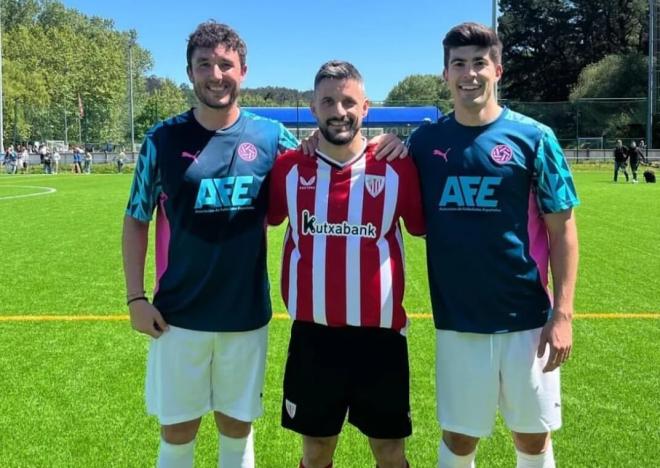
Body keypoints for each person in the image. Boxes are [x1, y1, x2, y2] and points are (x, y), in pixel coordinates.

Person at [121, 21, 404, 468]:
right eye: (205, 65)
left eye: (225, 65)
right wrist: (136, 297)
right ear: (190, 73)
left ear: (243, 71)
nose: (216, 74)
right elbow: (136, 219)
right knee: (177, 431)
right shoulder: (162, 139)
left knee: (237, 428)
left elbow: (331, 152)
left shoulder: (270, 138)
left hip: (246, 315)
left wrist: (387, 142)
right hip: (176, 315)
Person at [408, 22, 579, 468]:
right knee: (460, 439)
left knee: (532, 438)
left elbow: (563, 231)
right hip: (458, 321)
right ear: (445, 74)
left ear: (498, 70)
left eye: (479, 63)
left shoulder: (535, 138)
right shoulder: (424, 142)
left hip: (526, 319)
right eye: (458, 64)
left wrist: (562, 314)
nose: (469, 73)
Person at [268, 60, 425, 468]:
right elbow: (262, 220)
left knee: (390, 452)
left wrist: (407, 142)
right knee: (316, 450)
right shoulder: (288, 168)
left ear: (366, 107)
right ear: (313, 108)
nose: (339, 111)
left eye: (349, 101)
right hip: (314, 338)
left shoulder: (396, 165)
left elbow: (423, 226)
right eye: (328, 101)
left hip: (381, 340)